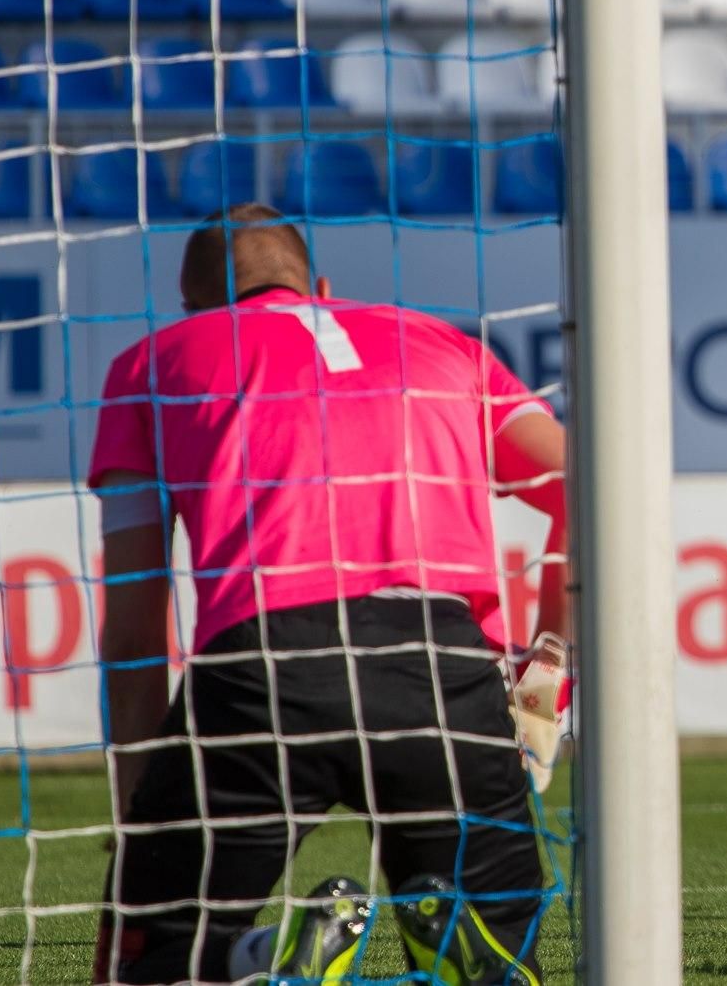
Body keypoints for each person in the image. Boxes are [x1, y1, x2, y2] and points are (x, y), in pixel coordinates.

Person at [88, 204, 569, 985]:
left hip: (264, 671)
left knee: (154, 955)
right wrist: (550, 657)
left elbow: (136, 616)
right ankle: (458, 938)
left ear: (194, 309)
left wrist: (134, 800)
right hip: (441, 673)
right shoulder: (447, 344)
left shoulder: (153, 362)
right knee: (501, 951)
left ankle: (256, 957)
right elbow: (584, 482)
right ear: (322, 286)